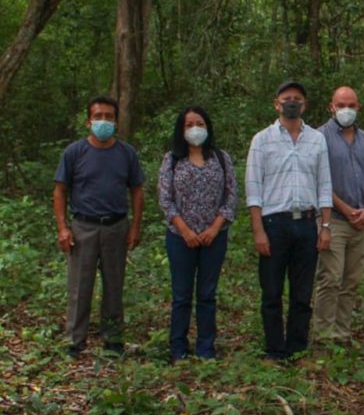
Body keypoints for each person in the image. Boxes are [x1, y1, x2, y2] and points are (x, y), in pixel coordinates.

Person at [245, 81, 332, 361]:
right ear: (276, 104)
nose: (291, 102)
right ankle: (275, 349)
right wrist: (258, 230)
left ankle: (296, 349)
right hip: (274, 224)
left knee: (302, 292)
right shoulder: (262, 140)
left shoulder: (317, 140)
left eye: (297, 98)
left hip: (306, 224)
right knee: (271, 291)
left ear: (304, 105)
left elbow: (324, 185)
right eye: (286, 98)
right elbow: (254, 188)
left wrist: (325, 227)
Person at [53, 96, 145, 358]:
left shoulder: (127, 153)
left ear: (116, 121)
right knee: (79, 286)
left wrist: (135, 227)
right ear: (88, 121)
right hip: (83, 226)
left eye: (109, 116)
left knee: (114, 285)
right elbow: (60, 191)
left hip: (116, 226)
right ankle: (74, 342)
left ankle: (113, 340)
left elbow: (137, 191)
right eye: (98, 116)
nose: (103, 121)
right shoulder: (74, 153)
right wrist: (63, 228)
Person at [158, 106, 238, 361]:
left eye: (200, 124)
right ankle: (178, 349)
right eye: (189, 124)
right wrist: (185, 230)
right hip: (180, 237)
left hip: (214, 237)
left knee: (207, 295)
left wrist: (215, 228)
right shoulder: (172, 160)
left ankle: (206, 349)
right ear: (181, 130)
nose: (195, 129)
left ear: (208, 127)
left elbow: (231, 196)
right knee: (181, 295)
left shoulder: (221, 158)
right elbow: (165, 199)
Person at [313, 86, 364, 343]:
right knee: (330, 278)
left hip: (363, 221)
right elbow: (319, 181)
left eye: (351, 105)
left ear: (358, 107)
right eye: (341, 105)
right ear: (331, 107)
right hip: (333, 220)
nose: (346, 110)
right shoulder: (319, 137)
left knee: (351, 281)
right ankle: (324, 333)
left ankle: (342, 332)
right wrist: (345, 209)